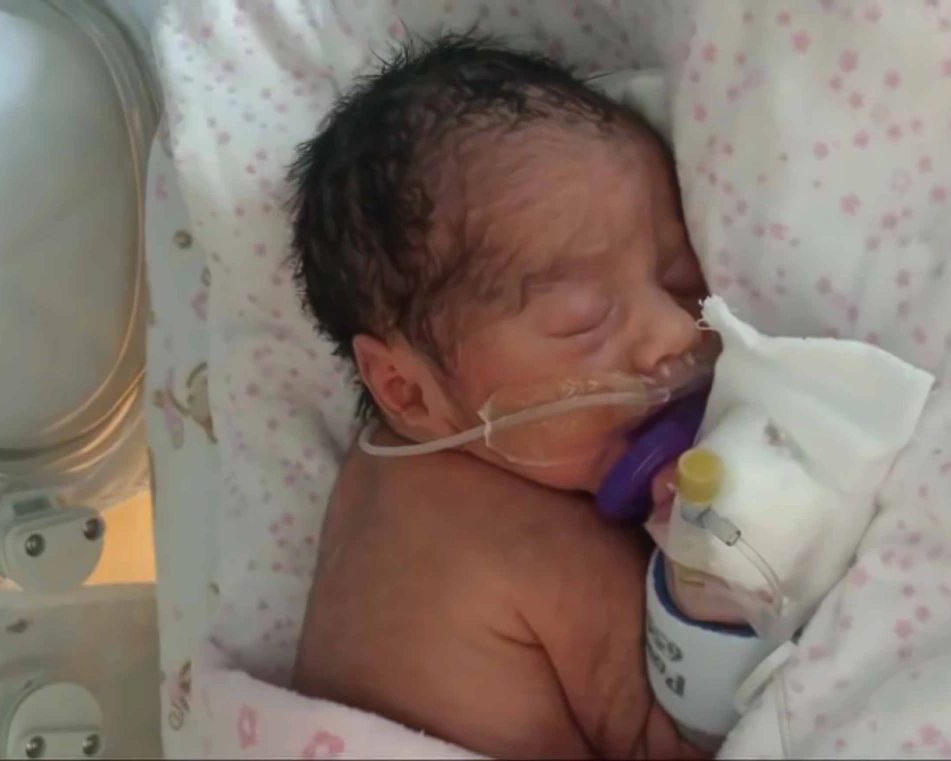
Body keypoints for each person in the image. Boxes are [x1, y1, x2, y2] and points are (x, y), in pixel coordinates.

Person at [288, 34, 748, 759]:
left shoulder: (380, 477)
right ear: (405, 387)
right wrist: (710, 584)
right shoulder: (539, 545)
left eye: (680, 277)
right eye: (582, 320)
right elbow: (677, 741)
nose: (671, 331)